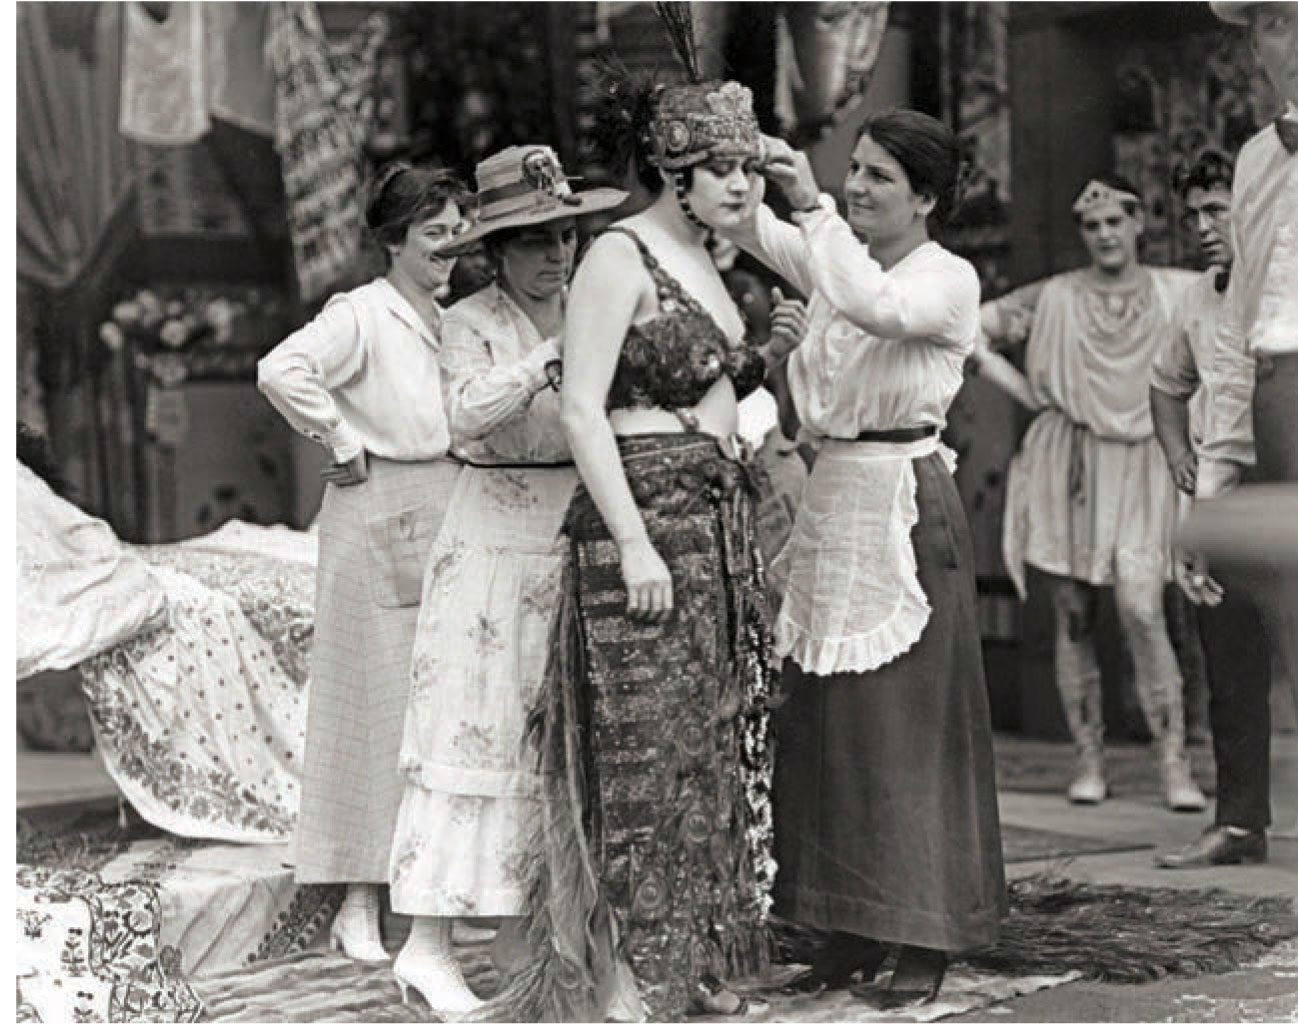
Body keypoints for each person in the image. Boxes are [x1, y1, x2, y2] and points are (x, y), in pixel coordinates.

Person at [488, 77, 800, 1024]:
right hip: (644, 519)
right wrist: (632, 544)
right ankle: (628, 975)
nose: (743, 185)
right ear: (675, 169)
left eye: (750, 167)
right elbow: (582, 407)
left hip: (715, 520)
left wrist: (770, 362)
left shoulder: (709, 257)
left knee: (705, 749)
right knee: (637, 755)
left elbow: (728, 402)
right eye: (723, 168)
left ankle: (691, 962)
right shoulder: (619, 257)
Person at [719, 109, 1006, 1008]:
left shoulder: (945, 278)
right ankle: (845, 925)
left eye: (881, 174)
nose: (859, 185)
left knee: (908, 731)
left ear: (926, 196)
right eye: (856, 169)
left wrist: (812, 208)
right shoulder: (835, 251)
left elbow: (874, 305)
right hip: (832, 495)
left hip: (902, 499)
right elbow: (746, 226)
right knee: (832, 727)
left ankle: (925, 933)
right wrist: (735, 156)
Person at [384, 145, 625, 1013]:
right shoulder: (471, 321)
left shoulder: (593, 305)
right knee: (474, 731)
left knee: (552, 742)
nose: (552, 254)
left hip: (572, 534)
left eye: (562, 235)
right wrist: (545, 358)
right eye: (529, 241)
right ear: (494, 251)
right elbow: (465, 413)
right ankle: (426, 943)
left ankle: (543, 935)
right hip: (491, 533)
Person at [257, 163, 467, 960]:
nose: (449, 246)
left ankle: (428, 899)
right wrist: (340, 442)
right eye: (433, 232)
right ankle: (356, 902)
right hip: (379, 507)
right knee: (373, 711)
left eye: (456, 230)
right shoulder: (364, 316)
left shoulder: (448, 319)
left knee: (435, 714)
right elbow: (281, 369)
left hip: (444, 507)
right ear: (393, 240)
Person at [971, 175, 1206, 812]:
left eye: (1115, 222)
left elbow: (1235, 327)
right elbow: (970, 329)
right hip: (1068, 460)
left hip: (1143, 463)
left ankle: (1174, 763)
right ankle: (1089, 758)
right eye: (1093, 225)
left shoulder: (1179, 291)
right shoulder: (1055, 296)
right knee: (1073, 613)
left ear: (1137, 225)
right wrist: (1031, 398)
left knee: (1141, 607)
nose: (1104, 234)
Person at [1148, 149, 1276, 868]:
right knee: (1231, 669)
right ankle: (1240, 823)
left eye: (1215, 210)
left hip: (1284, 489)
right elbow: (1166, 385)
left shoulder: (1284, 289)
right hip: (1222, 495)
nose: (1201, 225)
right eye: (1191, 213)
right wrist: (1177, 458)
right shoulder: (1196, 296)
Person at [1195, 0, 1298, 842]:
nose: (1294, 45)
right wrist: (1219, 467)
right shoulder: (1258, 160)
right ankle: (1244, 822)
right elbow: (1237, 328)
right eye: (1277, 22)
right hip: (1277, 397)